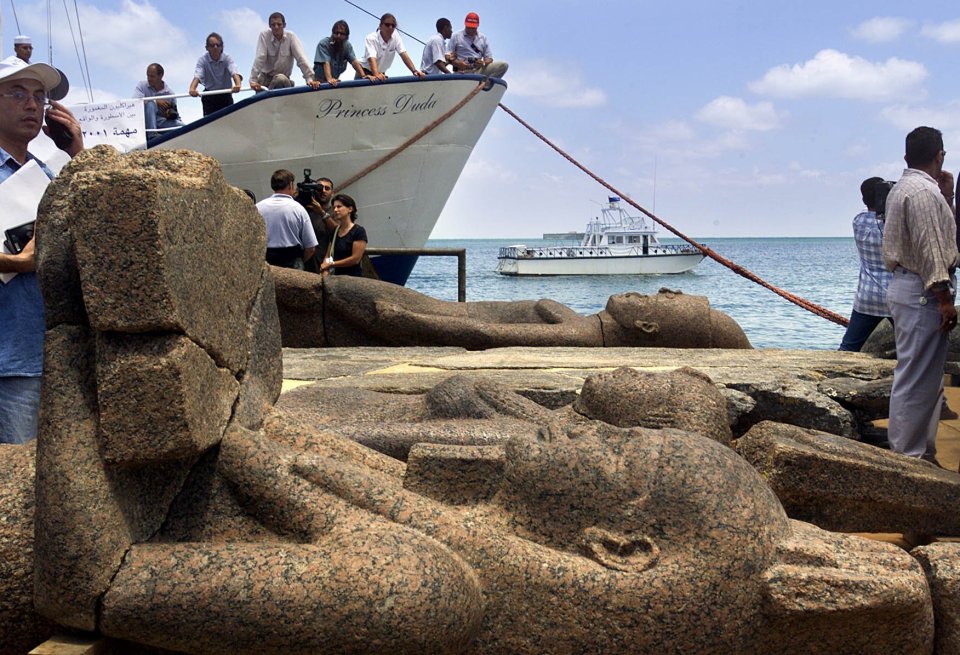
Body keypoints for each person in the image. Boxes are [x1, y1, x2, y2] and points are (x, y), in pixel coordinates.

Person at [0, 56, 83, 443]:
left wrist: (77, 154)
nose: (32, 104)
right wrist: (16, 261)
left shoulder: (46, 174)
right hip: (9, 360)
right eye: (17, 93)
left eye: (39, 96)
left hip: (48, 354)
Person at [883, 126, 959, 464]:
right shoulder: (924, 194)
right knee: (916, 380)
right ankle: (907, 457)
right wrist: (944, 297)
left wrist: (949, 197)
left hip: (910, 286)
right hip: (923, 290)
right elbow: (931, 249)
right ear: (940, 155)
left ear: (906, 157)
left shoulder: (906, 188)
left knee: (924, 379)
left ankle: (919, 453)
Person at [839, 177, 893, 351]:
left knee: (849, 346)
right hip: (895, 297)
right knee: (913, 346)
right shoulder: (894, 224)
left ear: (864, 200)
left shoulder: (858, 221)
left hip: (867, 297)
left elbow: (868, 214)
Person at [256, 169, 318, 269]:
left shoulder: (258, 207)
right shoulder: (298, 209)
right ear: (290, 185)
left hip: (266, 261)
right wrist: (300, 262)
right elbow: (311, 248)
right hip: (292, 262)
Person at [250, 12, 319, 92]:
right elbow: (260, 58)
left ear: (284, 25)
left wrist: (310, 79)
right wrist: (253, 80)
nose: (276, 27)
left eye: (279, 24)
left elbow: (301, 58)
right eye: (273, 25)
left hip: (283, 80)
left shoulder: (291, 37)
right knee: (261, 83)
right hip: (265, 79)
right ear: (269, 26)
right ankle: (264, 98)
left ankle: (272, 95)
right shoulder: (264, 36)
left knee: (281, 79)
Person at [357, 13, 425, 81]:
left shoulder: (396, 37)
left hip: (381, 74)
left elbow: (404, 54)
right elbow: (371, 59)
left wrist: (414, 71)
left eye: (393, 25)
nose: (390, 27)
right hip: (364, 72)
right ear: (380, 26)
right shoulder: (371, 38)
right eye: (387, 25)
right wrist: (376, 75)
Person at [188, 32, 242, 116]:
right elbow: (198, 75)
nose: (215, 47)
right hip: (209, 96)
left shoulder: (227, 58)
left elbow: (234, 71)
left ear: (222, 47)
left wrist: (238, 85)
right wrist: (192, 89)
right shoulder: (202, 60)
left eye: (218, 45)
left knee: (229, 122)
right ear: (207, 48)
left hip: (225, 95)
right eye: (212, 45)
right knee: (209, 123)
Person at [446, 12, 508, 78]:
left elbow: (489, 58)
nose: (470, 30)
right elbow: (447, 55)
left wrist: (483, 63)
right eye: (468, 27)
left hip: (478, 70)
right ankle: (481, 83)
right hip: (462, 72)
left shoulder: (483, 38)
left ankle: (485, 84)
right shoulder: (456, 36)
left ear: (477, 26)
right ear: (465, 24)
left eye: (473, 28)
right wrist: (457, 63)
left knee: (503, 65)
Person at [319, 193, 367, 277]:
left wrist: (332, 264)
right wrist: (325, 268)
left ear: (350, 209)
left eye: (339, 206)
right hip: (336, 277)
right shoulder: (335, 231)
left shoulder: (358, 231)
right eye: (334, 207)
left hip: (353, 278)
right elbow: (328, 254)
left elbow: (355, 259)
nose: (335, 210)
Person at [133, 63, 183, 141]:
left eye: (152, 76)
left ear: (161, 76)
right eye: (148, 75)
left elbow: (176, 114)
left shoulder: (170, 94)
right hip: (144, 123)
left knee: (183, 127)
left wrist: (171, 115)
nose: (149, 79)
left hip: (162, 122)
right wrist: (156, 101)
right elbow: (135, 103)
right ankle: (152, 135)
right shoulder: (142, 86)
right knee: (150, 104)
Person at [313, 20, 371, 86]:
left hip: (333, 82)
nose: (338, 36)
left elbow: (354, 61)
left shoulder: (347, 46)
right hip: (317, 83)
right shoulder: (323, 44)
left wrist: (363, 76)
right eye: (336, 33)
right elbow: (326, 63)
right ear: (332, 33)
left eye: (342, 34)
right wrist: (330, 79)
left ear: (347, 36)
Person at [304, 176, 336, 273]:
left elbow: (337, 231)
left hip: (325, 264)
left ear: (332, 193)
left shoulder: (335, 212)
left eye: (327, 188)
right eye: (320, 187)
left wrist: (321, 212)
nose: (323, 191)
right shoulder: (304, 211)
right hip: (305, 262)